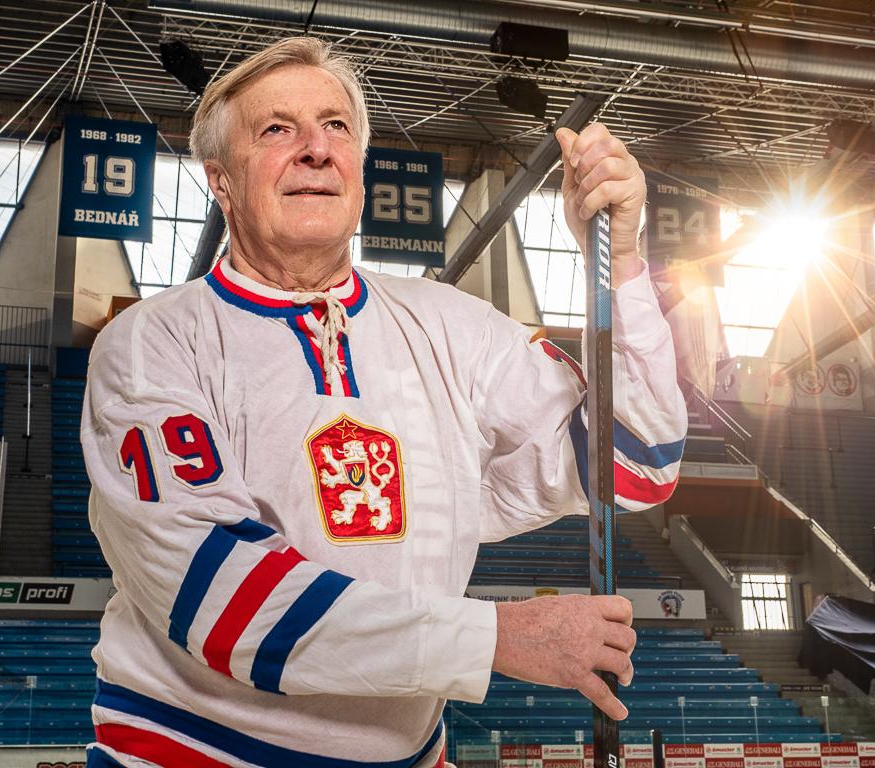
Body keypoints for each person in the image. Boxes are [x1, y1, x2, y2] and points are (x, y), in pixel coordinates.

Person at [80, 36, 686, 768]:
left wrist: (621, 264)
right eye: (277, 129)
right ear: (220, 180)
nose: (315, 149)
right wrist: (496, 637)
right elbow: (221, 596)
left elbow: (635, 463)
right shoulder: (152, 343)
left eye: (337, 126)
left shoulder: (451, 325)